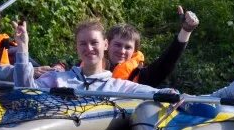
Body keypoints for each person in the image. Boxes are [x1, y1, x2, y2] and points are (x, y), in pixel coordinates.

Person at [13, 18, 158, 97]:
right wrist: (23, 48)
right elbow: (24, 91)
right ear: (77, 47)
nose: (89, 48)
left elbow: (156, 93)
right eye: (83, 43)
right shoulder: (57, 79)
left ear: (106, 45)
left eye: (94, 42)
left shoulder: (117, 86)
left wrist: (179, 97)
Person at [106, 7, 200, 86]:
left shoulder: (140, 75)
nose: (122, 51)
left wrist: (186, 31)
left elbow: (166, 62)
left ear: (134, 51)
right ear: (107, 44)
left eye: (128, 47)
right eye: (117, 45)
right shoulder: (94, 65)